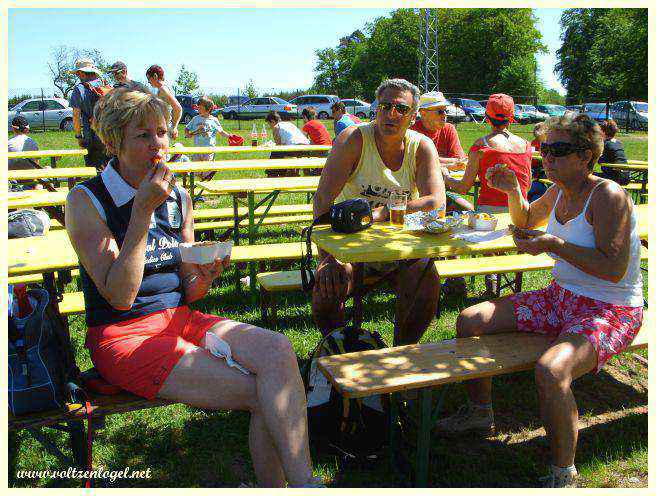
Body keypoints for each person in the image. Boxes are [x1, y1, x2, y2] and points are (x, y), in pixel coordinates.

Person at [64, 88, 322, 488]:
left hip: (180, 319)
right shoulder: (87, 200)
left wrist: (204, 276)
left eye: (163, 132)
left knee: (278, 350)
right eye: (143, 135)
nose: (158, 144)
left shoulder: (178, 196)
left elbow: (187, 290)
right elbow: (120, 296)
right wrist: (141, 211)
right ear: (114, 140)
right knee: (261, 392)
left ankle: (305, 485)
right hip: (123, 335)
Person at [434, 113, 644, 488]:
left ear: (586, 155)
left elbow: (613, 268)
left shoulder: (607, 194)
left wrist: (552, 245)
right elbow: (528, 217)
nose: (547, 157)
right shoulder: (560, 188)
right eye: (544, 149)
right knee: (470, 319)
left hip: (610, 309)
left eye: (558, 150)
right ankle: (481, 411)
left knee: (551, 370)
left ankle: (563, 473)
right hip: (561, 297)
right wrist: (515, 189)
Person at [312, 78, 446, 345]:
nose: (391, 114)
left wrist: (384, 213)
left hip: (403, 250)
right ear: (376, 109)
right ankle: (339, 350)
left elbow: (437, 204)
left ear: (413, 115)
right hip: (352, 249)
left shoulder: (421, 147)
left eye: (401, 109)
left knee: (428, 281)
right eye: (384, 106)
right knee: (327, 287)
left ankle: (401, 353)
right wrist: (328, 257)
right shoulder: (353, 140)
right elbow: (322, 201)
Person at [442, 93, 532, 214]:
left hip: (489, 214)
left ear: (487, 117)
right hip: (521, 211)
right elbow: (528, 185)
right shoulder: (526, 145)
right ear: (511, 118)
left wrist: (446, 177)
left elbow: (463, 188)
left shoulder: (481, 147)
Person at [411, 91, 473, 213]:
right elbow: (413, 161)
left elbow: (460, 160)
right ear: (423, 113)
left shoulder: (449, 129)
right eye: (440, 111)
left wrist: (438, 163)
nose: (444, 115)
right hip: (417, 193)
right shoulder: (412, 132)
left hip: (443, 190)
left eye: (446, 111)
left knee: (470, 210)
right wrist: (449, 164)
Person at [69, 58, 111, 171]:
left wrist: (78, 136)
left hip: (93, 135)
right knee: (111, 169)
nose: (77, 76)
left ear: (82, 73)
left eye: (77, 73)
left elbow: (76, 116)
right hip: (111, 133)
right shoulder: (106, 85)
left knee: (94, 171)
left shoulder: (80, 89)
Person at [264, 111, 311, 177]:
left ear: (272, 121)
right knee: (280, 154)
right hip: (307, 148)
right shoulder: (289, 124)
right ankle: (282, 173)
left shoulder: (276, 127)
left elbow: (278, 146)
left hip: (296, 148)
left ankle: (272, 175)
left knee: (275, 153)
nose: (270, 127)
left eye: (269, 124)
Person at [185, 96, 230, 160]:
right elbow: (187, 128)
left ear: (208, 109)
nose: (198, 110)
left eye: (200, 108)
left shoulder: (214, 120)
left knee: (207, 168)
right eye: (198, 108)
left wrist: (230, 136)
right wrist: (187, 133)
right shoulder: (195, 119)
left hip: (209, 150)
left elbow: (221, 132)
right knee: (196, 168)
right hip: (197, 149)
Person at [146, 64, 182, 140]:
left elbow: (178, 108)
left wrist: (174, 127)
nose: (148, 82)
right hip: (161, 128)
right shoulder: (165, 88)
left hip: (164, 130)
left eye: (149, 78)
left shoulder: (163, 89)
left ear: (155, 76)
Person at [597, 119, 630, 185]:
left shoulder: (606, 144)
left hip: (614, 178)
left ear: (603, 132)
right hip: (625, 177)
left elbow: (600, 161)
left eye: (600, 131)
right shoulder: (618, 142)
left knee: (588, 176)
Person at [528, 122, 549, 202]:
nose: (537, 133)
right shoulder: (533, 142)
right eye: (536, 130)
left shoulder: (546, 142)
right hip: (534, 165)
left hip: (543, 167)